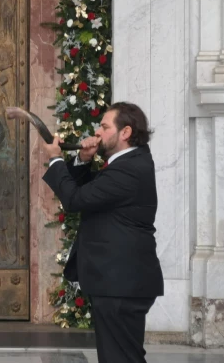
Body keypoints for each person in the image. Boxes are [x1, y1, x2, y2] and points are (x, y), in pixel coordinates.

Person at [42, 102, 164, 363]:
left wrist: (54, 160)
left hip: (121, 283)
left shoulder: (129, 169)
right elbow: (91, 195)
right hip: (119, 282)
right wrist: (83, 160)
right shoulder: (127, 164)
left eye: (105, 126)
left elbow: (75, 200)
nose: (97, 132)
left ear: (125, 132)